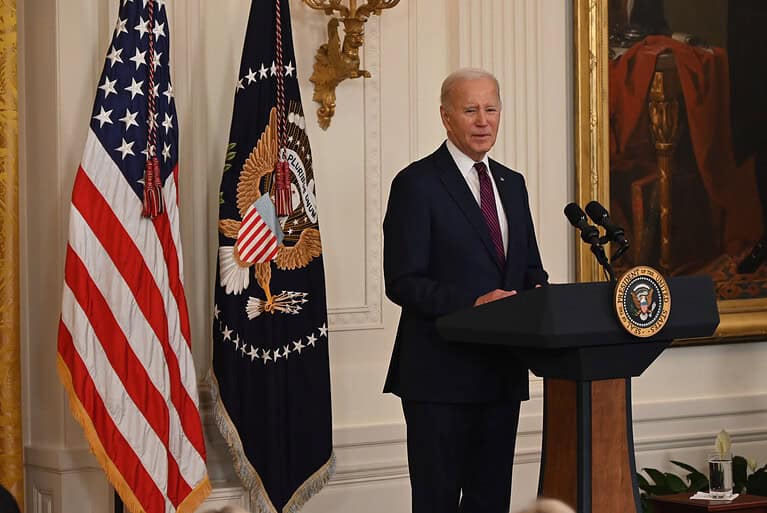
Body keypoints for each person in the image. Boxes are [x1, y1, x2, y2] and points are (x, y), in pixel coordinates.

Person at [383, 68, 548, 513]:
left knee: (490, 502)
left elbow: (529, 268)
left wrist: (540, 297)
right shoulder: (416, 184)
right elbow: (402, 280)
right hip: (438, 377)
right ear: (446, 117)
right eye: (470, 109)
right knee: (437, 503)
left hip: (500, 375)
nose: (483, 120)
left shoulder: (512, 184)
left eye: (491, 109)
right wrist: (474, 305)